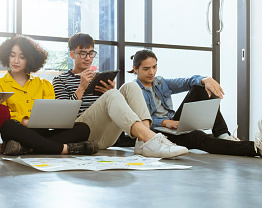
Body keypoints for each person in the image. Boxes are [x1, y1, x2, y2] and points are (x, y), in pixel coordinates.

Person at [129, 49, 262, 158]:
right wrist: (164, 122)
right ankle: (257, 149)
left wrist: (206, 79)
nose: (152, 72)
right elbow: (140, 121)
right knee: (199, 137)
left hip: (174, 124)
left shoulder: (161, 83)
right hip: (156, 134)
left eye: (154, 67)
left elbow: (188, 81)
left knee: (200, 88)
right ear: (135, 69)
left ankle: (224, 135)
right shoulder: (132, 89)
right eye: (146, 69)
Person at [53, 33, 188, 158]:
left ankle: (143, 142)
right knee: (113, 94)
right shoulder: (60, 80)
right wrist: (81, 88)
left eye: (91, 53)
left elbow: (110, 110)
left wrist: (111, 93)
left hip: (105, 137)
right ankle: (152, 139)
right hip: (81, 134)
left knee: (131, 86)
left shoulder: (98, 77)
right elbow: (63, 117)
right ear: (72, 54)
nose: (88, 58)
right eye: (82, 54)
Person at [0, 35, 98, 156]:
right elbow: (2, 114)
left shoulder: (44, 85)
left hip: (40, 132)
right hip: (18, 131)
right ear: (7, 56)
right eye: (12, 55)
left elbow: (52, 112)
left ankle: (26, 148)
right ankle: (64, 149)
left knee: (83, 128)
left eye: (22, 57)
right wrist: (24, 121)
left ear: (30, 59)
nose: (16, 61)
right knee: (8, 126)